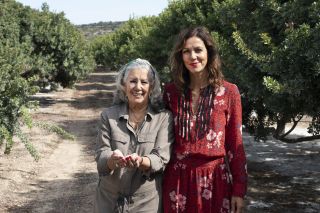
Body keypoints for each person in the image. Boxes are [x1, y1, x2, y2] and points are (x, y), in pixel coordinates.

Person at [162, 26, 247, 213]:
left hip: (216, 181)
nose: (193, 57)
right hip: (177, 181)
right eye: (186, 51)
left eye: (198, 50)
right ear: (180, 56)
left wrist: (239, 190)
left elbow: (235, 144)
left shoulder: (229, 92)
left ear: (209, 52)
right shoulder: (170, 92)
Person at [94, 58, 174, 213]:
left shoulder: (163, 118)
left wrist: (141, 161)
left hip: (146, 203)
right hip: (108, 201)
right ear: (124, 86)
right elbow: (101, 157)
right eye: (133, 81)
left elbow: (161, 158)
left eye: (144, 82)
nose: (138, 87)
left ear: (152, 87)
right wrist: (112, 159)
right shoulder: (108, 116)